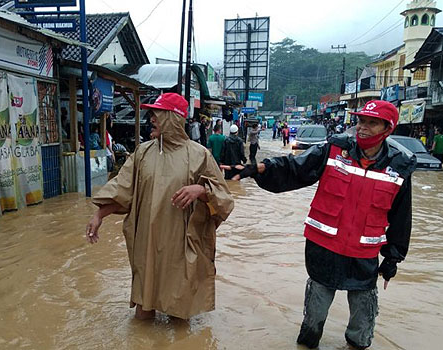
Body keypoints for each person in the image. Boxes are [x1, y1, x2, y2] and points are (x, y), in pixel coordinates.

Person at [223, 100, 416, 349]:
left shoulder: (400, 166)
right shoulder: (334, 149)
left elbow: (401, 217)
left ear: (387, 128)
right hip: (324, 248)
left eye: (372, 123)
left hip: (363, 256)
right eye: (361, 121)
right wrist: (259, 169)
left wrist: (392, 259)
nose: (363, 128)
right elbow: (296, 168)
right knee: (313, 322)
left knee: (362, 326)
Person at [86, 93, 234, 320]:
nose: (152, 119)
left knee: (179, 312)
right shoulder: (142, 153)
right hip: (147, 243)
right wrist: (99, 215)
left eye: (158, 113)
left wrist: (202, 191)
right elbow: (124, 189)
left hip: (181, 246)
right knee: (144, 310)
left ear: (173, 118)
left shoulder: (199, 156)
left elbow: (224, 200)